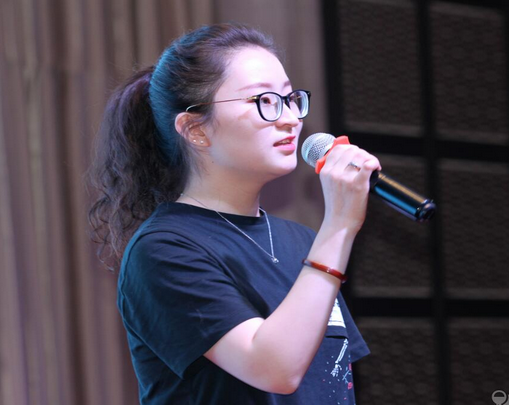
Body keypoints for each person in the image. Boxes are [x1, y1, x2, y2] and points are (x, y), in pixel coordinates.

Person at [87, 23, 381, 404]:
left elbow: (332, 385)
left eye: (290, 98)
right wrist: (339, 225)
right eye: (265, 100)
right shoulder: (162, 250)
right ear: (195, 129)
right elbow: (274, 368)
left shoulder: (303, 242)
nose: (291, 118)